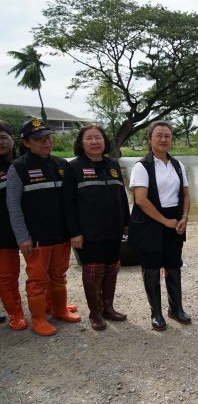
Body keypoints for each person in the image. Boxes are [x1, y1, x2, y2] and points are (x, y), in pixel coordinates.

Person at [6, 118, 81, 336]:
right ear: (26, 142)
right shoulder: (18, 168)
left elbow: (70, 202)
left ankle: (59, 309)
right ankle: (38, 320)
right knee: (37, 280)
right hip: (36, 238)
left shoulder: (61, 164)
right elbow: (13, 206)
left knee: (59, 275)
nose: (46, 142)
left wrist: (73, 231)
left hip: (61, 235)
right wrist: (22, 237)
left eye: (48, 137)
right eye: (39, 139)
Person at [62, 124, 129, 330]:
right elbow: (67, 203)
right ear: (81, 143)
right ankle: (95, 313)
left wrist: (127, 223)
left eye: (98, 138)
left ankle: (108, 308)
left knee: (112, 268)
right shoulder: (74, 167)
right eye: (89, 138)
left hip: (114, 228)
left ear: (104, 141)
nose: (94, 142)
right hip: (88, 232)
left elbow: (122, 196)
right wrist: (74, 232)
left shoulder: (113, 165)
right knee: (93, 271)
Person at [128, 121, 191, 331]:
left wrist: (184, 217)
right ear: (150, 139)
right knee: (152, 268)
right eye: (159, 135)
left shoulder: (177, 165)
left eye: (167, 136)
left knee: (174, 265)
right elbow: (140, 200)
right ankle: (156, 313)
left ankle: (176, 308)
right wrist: (165, 221)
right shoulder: (142, 166)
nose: (164, 139)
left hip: (175, 220)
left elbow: (186, 194)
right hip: (150, 221)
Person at [0, 120, 27, 330]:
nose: (0, 142)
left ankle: (50, 304)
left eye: (3, 137)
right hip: (3, 231)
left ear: (12, 139)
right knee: (7, 275)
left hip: (30, 227)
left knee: (41, 271)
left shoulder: (25, 162)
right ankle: (15, 313)